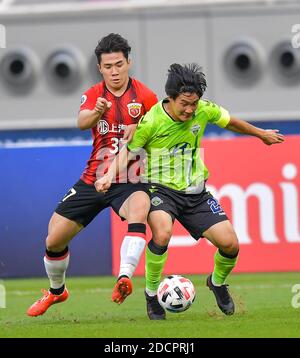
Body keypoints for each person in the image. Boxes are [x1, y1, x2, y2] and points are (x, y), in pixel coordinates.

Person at [95, 63, 284, 320]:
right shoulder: (152, 121)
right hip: (160, 189)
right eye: (184, 103)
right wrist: (107, 175)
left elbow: (231, 122)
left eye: (194, 103)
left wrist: (260, 134)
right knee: (162, 232)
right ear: (170, 98)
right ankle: (151, 296)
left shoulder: (203, 111)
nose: (189, 109)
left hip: (196, 193)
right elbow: (128, 151)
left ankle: (217, 283)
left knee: (230, 244)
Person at [26, 33, 158, 317]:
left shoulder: (146, 97)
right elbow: (80, 122)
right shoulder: (94, 95)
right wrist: (97, 113)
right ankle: (56, 292)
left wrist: (144, 136)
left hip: (130, 179)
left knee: (139, 210)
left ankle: (124, 277)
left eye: (119, 64)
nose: (115, 71)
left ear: (128, 62)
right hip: (92, 179)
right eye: (108, 66)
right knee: (53, 240)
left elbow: (157, 135)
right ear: (100, 68)